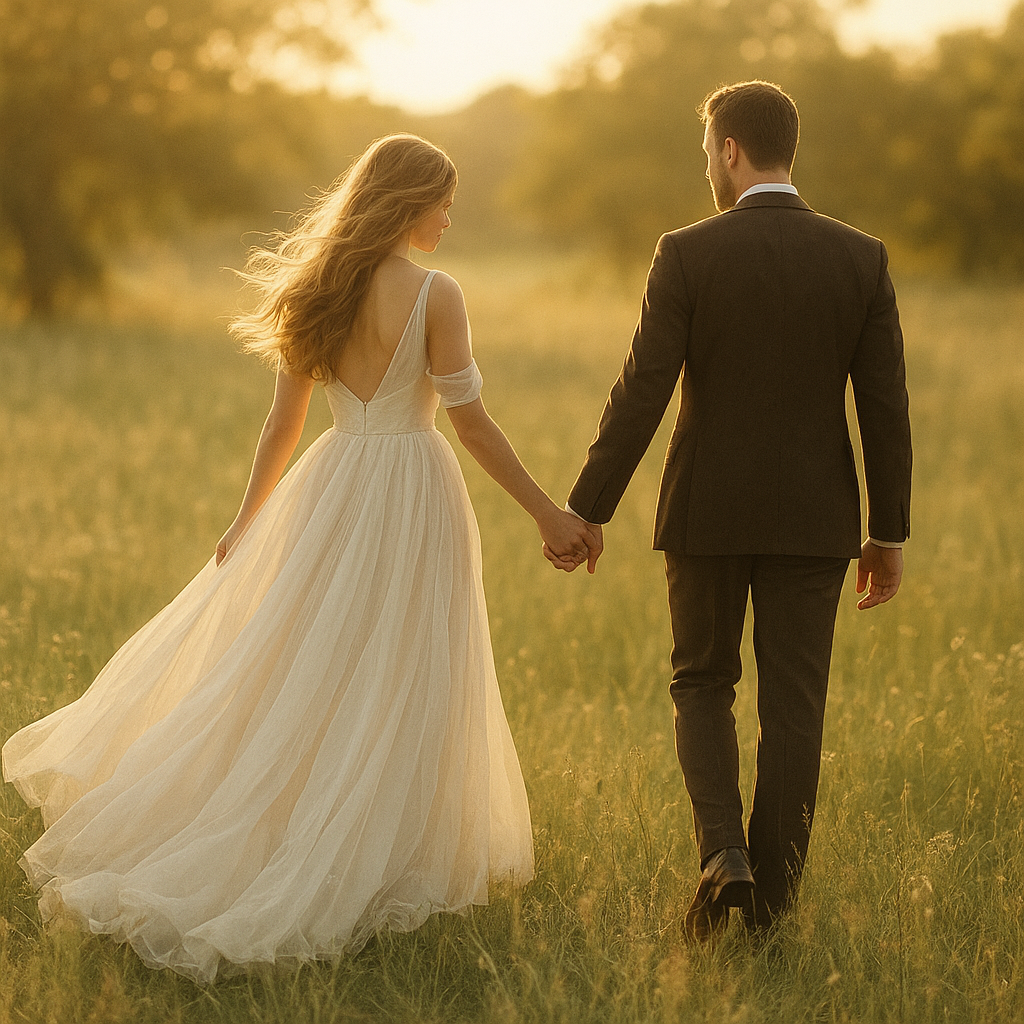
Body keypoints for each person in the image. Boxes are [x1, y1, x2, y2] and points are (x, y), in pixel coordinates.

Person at [1, 134, 596, 983]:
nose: (448, 218)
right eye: (441, 202)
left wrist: (252, 520)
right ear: (405, 202)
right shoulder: (437, 293)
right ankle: (374, 852)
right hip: (412, 491)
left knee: (312, 670)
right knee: (400, 672)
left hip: (331, 487)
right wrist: (548, 512)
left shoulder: (319, 289)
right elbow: (470, 423)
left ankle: (321, 828)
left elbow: (281, 425)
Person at [558, 81, 911, 940]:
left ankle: (723, 858)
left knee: (703, 683)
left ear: (727, 149)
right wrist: (887, 532)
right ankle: (772, 908)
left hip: (705, 511)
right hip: (815, 520)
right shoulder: (860, 257)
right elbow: (885, 408)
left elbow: (642, 389)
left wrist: (586, 507)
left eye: (706, 152)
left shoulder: (686, 251)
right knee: (797, 707)